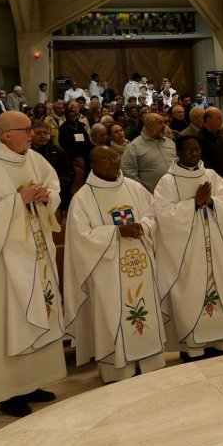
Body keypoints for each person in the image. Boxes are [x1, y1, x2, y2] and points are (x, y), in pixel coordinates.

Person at [0, 111, 66, 418]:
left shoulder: (32, 158)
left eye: (31, 129)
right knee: (12, 320)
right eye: (25, 130)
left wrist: (46, 196)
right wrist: (18, 200)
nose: (31, 134)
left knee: (39, 311)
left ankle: (33, 382)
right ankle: (9, 393)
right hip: (4, 259)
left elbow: (52, 186)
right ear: (5, 134)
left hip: (36, 252)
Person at [63, 146, 166, 383]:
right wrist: (117, 232)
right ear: (93, 164)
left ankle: (150, 361)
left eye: (115, 157)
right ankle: (118, 369)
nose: (113, 161)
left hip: (141, 262)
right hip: (106, 270)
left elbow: (153, 215)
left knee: (144, 307)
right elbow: (80, 237)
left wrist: (143, 226)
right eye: (105, 158)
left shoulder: (134, 187)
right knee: (112, 314)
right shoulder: (83, 198)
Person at [151, 136, 223, 361]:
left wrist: (210, 202)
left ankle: (218, 340)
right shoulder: (168, 181)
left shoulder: (210, 175)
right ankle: (192, 347)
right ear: (178, 153)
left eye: (197, 149)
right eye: (188, 150)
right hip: (185, 251)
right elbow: (162, 214)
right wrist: (193, 204)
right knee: (190, 291)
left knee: (218, 285)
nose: (194, 154)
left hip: (213, 245)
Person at [120, 112, 176, 192]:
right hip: (152, 195)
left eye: (164, 122)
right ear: (150, 126)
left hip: (176, 190)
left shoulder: (170, 142)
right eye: (160, 123)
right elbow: (128, 172)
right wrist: (143, 191)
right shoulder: (134, 146)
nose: (164, 126)